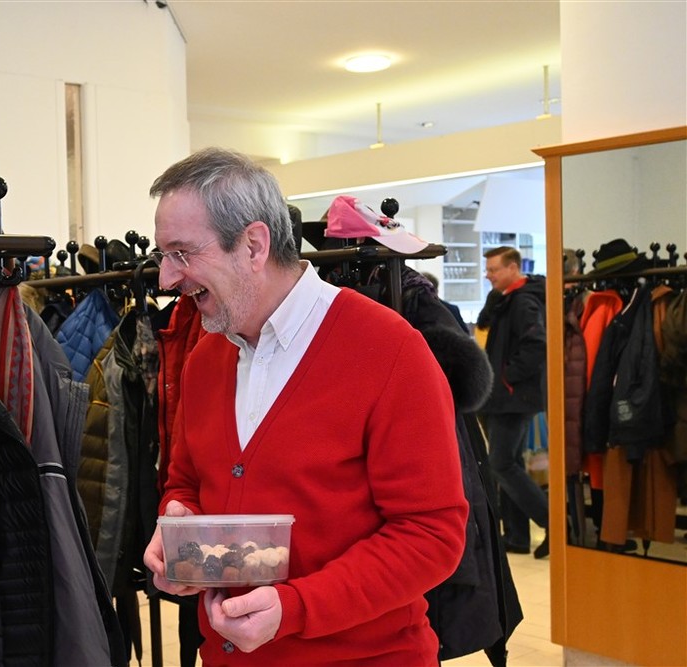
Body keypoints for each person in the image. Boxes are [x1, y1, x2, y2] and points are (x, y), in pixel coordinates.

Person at [141, 147, 469, 665]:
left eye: (181, 253)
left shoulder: (388, 349)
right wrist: (181, 536)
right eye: (164, 256)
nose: (166, 279)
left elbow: (431, 535)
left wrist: (295, 607)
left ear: (253, 245)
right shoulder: (205, 357)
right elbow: (186, 483)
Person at [477, 245, 549, 559]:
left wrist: (507, 377)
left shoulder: (524, 301)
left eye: (494, 269)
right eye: (488, 270)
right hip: (503, 397)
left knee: (501, 463)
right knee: (511, 463)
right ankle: (517, 536)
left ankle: (554, 524)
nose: (488, 275)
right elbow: (485, 327)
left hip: (512, 397)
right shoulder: (505, 299)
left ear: (513, 268)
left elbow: (536, 345)